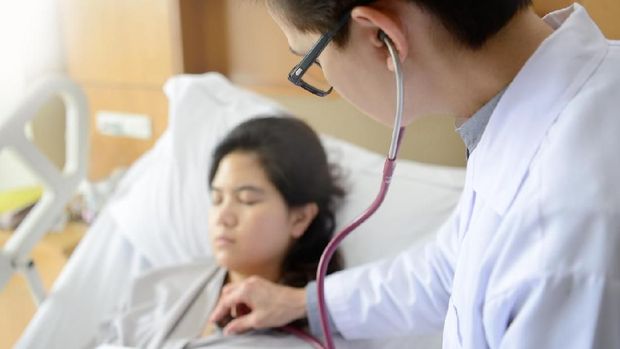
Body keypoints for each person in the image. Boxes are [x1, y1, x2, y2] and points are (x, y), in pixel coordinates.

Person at [209, 1, 620, 347]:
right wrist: (304, 304)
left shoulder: (561, 230)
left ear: (380, 37)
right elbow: (448, 269)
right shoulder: (543, 108)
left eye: (309, 59)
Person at [95, 116, 383, 348]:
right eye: (217, 199)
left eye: (247, 200)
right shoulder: (155, 288)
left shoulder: (321, 336)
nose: (224, 216)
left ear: (300, 218)